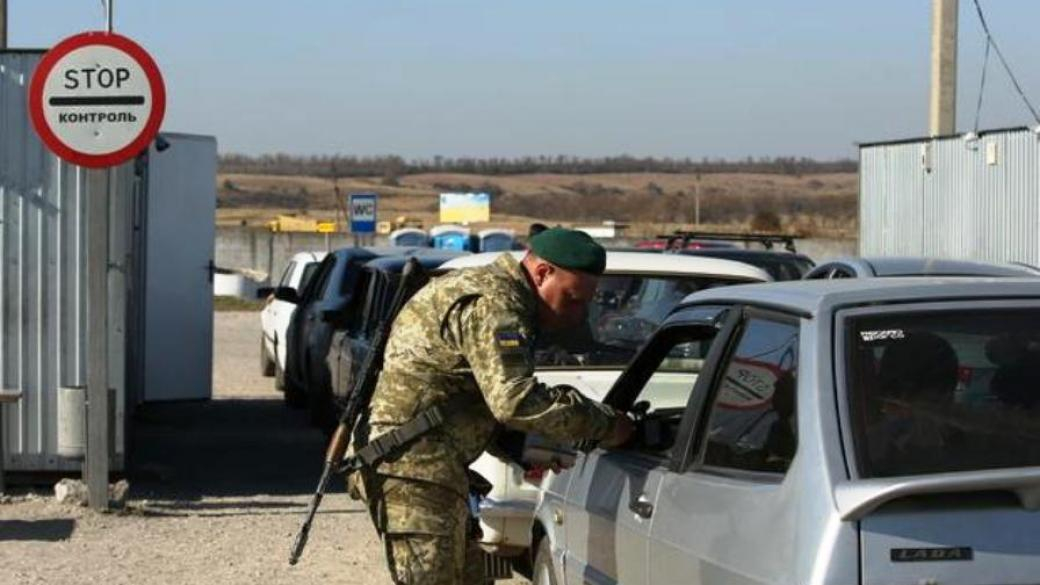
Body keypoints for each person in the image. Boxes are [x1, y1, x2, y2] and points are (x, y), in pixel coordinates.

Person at [352, 227, 634, 585]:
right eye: (573, 298)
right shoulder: (495, 303)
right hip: (413, 470)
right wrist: (608, 425)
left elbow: (465, 393)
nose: (578, 313)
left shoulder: (493, 291)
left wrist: (520, 446)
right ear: (543, 272)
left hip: (428, 467)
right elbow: (514, 400)